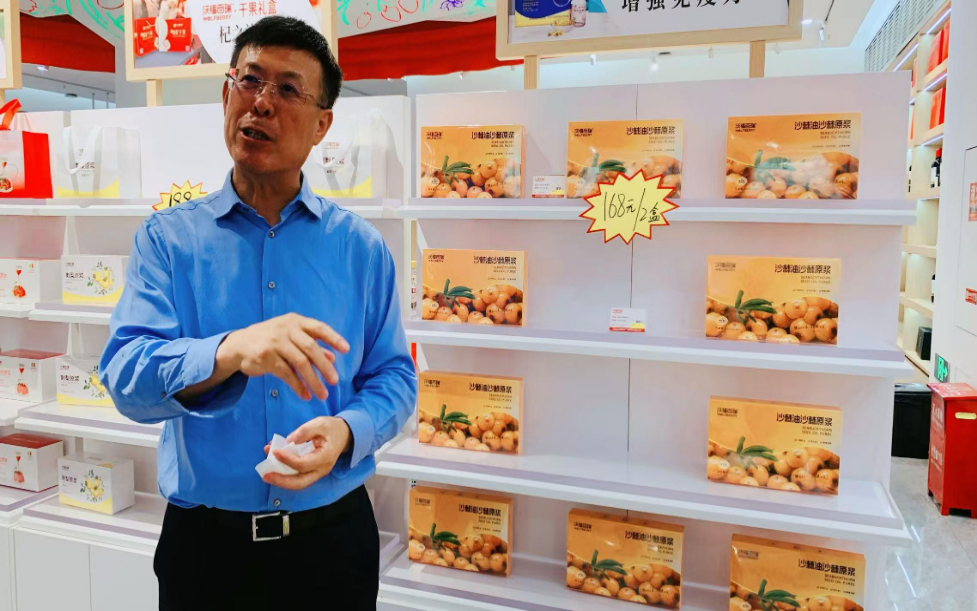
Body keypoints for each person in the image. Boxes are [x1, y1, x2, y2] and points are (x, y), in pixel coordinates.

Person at [100, 16, 416, 611]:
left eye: (289, 89)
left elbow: (395, 376)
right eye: (249, 80)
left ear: (322, 125)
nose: (262, 103)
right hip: (206, 551)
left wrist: (348, 431)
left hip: (331, 544)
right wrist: (228, 351)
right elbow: (126, 377)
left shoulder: (360, 249)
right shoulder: (168, 240)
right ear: (226, 95)